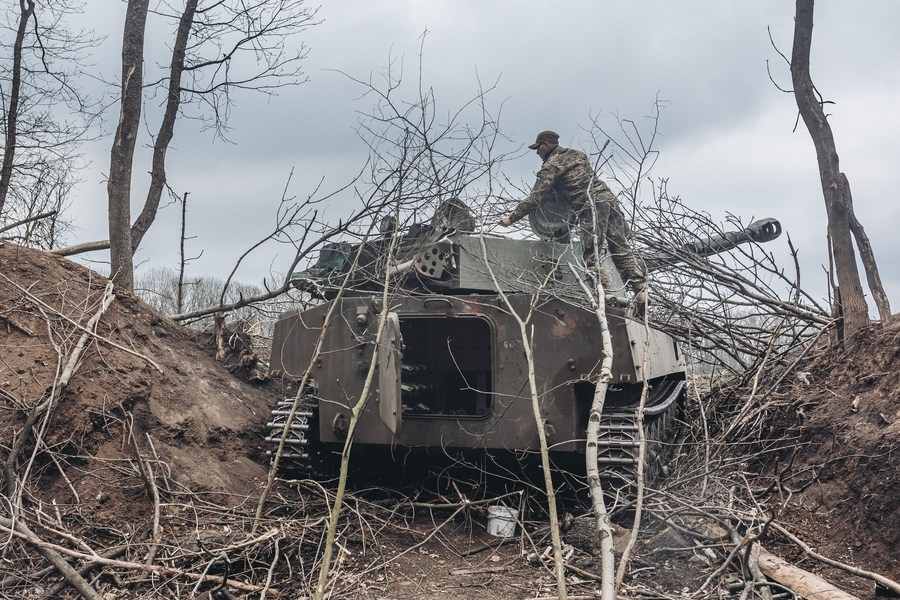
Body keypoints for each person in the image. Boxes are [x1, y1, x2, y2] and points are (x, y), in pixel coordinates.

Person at [499, 130, 646, 305]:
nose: (537, 153)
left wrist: (511, 218)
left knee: (592, 254)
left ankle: (601, 295)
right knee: (620, 248)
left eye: (537, 149)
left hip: (590, 206)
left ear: (545, 145)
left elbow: (535, 197)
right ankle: (641, 290)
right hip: (608, 199)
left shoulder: (552, 165)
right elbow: (579, 181)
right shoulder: (578, 155)